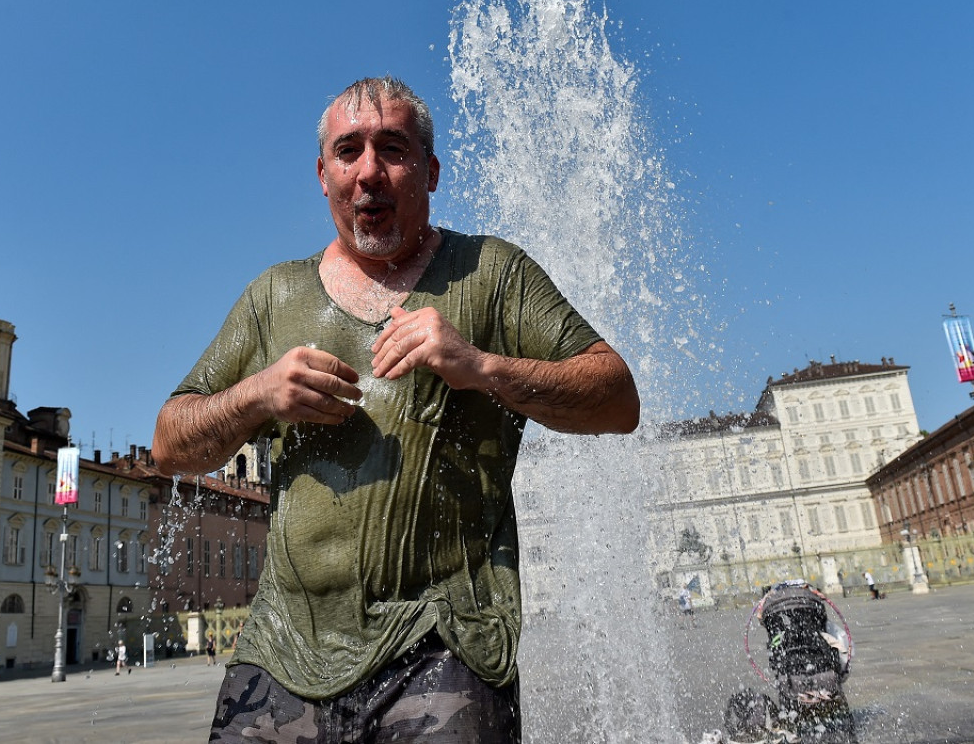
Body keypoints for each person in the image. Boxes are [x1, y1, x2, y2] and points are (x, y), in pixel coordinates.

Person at [152, 76, 640, 742]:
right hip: (283, 650)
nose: (370, 172)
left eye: (393, 149)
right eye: (348, 151)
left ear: (431, 170)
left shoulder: (490, 274)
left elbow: (616, 396)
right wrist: (258, 393)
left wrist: (482, 367)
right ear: (323, 175)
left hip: (444, 644)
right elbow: (169, 442)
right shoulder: (273, 297)